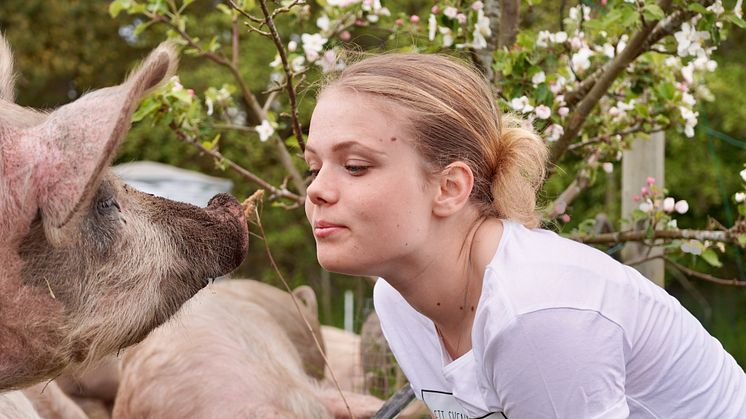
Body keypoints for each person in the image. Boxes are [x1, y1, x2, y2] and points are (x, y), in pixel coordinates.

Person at [303, 53, 746, 418]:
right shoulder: (397, 301)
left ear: (449, 187)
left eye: (355, 166)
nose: (317, 190)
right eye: (313, 166)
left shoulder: (534, 312)